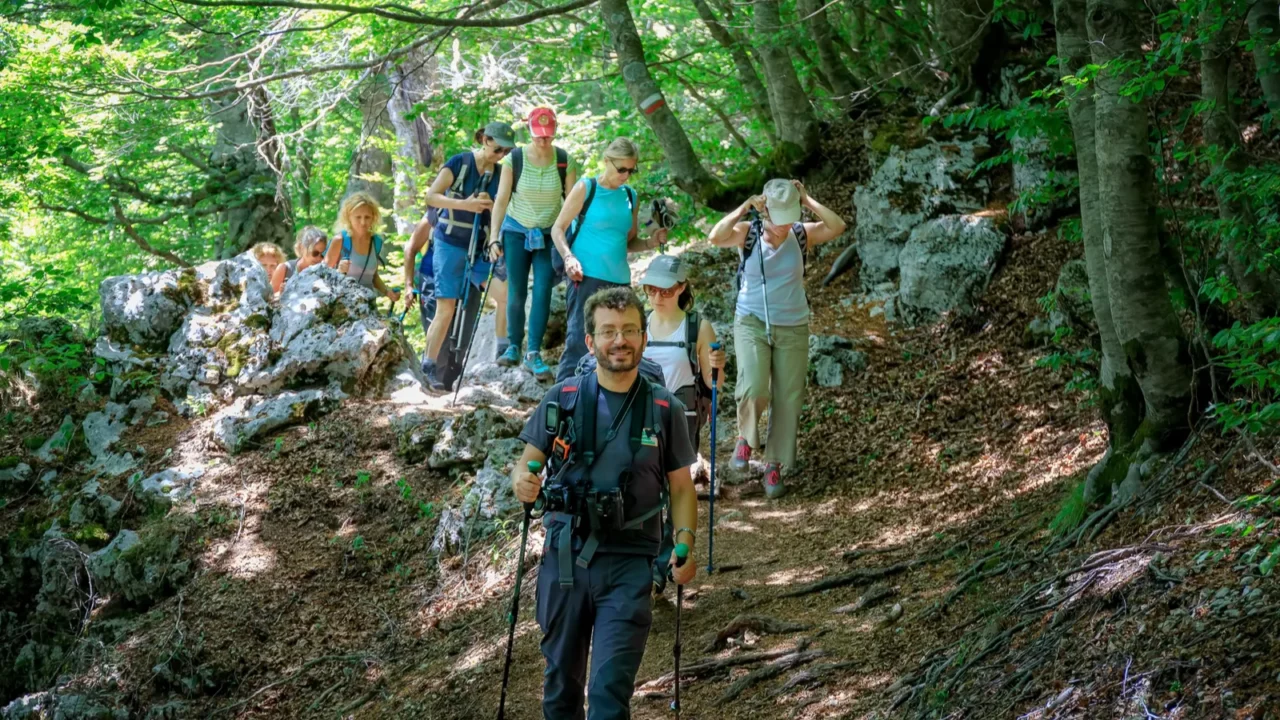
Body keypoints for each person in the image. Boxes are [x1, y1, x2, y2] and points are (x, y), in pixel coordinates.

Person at [511, 286, 697, 720]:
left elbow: (682, 488)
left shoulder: (664, 407)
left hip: (631, 562)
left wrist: (684, 544)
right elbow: (526, 466)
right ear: (591, 341)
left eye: (630, 330)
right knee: (561, 688)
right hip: (565, 559)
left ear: (644, 337)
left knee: (610, 695)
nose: (620, 340)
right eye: (609, 331)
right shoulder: (563, 399)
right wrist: (523, 481)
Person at [707, 179, 846, 499]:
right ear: (764, 211)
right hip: (751, 321)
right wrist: (744, 206)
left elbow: (837, 226)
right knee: (754, 386)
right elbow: (715, 237)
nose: (784, 225)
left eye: (789, 216)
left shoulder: (800, 233)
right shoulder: (748, 233)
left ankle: (774, 465)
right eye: (777, 217)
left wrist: (808, 200)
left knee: (788, 397)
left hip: (793, 325)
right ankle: (745, 439)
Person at [639, 254, 726, 592]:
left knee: (674, 489)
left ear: (681, 288)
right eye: (650, 289)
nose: (656, 296)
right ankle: (646, 564)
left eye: (664, 290)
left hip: (682, 419)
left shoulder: (697, 327)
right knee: (646, 490)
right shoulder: (640, 324)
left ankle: (662, 565)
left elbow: (711, 381)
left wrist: (718, 364)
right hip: (643, 417)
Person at [550, 138, 668, 383]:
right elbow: (557, 229)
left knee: (618, 345)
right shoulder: (587, 187)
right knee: (580, 342)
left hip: (620, 282)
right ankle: (561, 403)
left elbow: (629, 241)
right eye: (621, 169)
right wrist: (568, 257)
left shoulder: (630, 196)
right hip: (586, 277)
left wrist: (650, 242)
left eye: (631, 170)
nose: (626, 175)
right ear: (607, 161)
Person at [420, 122, 514, 390]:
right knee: (445, 309)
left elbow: (505, 210)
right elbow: (432, 196)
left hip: (483, 246)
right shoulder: (459, 163)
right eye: (498, 149)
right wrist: (466, 204)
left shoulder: (502, 173)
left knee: (503, 294)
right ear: (484, 139)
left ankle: (502, 352)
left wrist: (491, 207)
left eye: (506, 151)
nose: (501, 155)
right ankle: (428, 365)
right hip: (449, 243)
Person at [489, 107, 577, 382]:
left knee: (542, 291)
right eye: (538, 135)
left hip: (549, 233)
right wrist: (493, 237)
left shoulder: (564, 161)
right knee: (516, 290)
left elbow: (573, 203)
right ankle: (514, 345)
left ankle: (533, 353)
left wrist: (570, 243)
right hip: (516, 231)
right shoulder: (513, 160)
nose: (543, 140)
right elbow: (501, 201)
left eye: (548, 136)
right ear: (529, 130)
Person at [323, 192, 400, 305]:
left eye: (367, 217)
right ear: (348, 217)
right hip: (344, 307)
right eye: (358, 217)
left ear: (373, 218)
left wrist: (387, 292)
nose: (363, 222)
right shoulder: (340, 240)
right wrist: (338, 271)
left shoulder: (376, 242)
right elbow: (322, 276)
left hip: (368, 305)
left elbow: (373, 276)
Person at [272, 226, 327, 294]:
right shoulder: (285, 269)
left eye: (323, 254)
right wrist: (281, 293)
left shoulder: (326, 272)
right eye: (315, 253)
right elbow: (271, 299)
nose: (319, 258)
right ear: (301, 247)